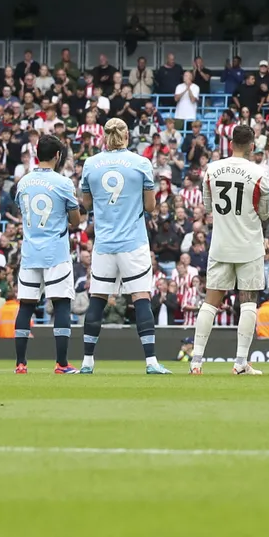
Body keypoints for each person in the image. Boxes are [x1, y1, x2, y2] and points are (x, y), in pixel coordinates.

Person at [77, 119, 169, 374]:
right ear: (127, 135)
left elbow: (88, 204)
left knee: (97, 299)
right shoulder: (141, 163)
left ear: (104, 137)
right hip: (133, 242)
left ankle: (87, 362)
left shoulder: (91, 164)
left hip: (104, 243)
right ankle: (150, 362)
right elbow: (150, 207)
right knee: (141, 297)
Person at [191, 124, 269, 375]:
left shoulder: (211, 170)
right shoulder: (259, 173)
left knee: (210, 303)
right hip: (248, 245)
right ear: (251, 145)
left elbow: (208, 207)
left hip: (221, 244)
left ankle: (195, 361)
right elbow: (265, 213)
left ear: (230, 142)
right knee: (248, 302)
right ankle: (240, 363)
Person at [12, 134, 81, 373]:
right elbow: (75, 219)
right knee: (61, 305)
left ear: (36, 154)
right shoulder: (63, 183)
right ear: (58, 156)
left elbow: (20, 209)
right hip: (56, 252)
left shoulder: (23, 182)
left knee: (26, 306)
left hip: (30, 251)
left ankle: (20, 363)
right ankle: (61, 363)